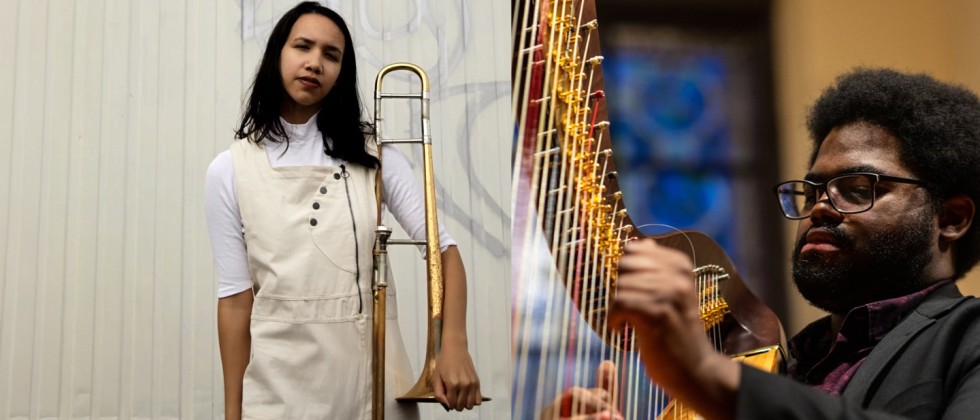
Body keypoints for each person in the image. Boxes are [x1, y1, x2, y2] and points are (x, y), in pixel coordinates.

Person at [551, 68, 980, 419]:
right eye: (812, 191)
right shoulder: (784, 362)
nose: (820, 208)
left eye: (857, 187)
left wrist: (704, 373)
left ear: (952, 219)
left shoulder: (967, 339)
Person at [204, 2, 481, 419]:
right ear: (278, 53)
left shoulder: (378, 158)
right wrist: (232, 414)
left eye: (331, 55)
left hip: (372, 388)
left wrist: (453, 344)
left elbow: (445, 251)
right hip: (276, 392)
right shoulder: (229, 170)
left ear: (341, 72)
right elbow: (235, 302)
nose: (315, 63)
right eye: (303, 46)